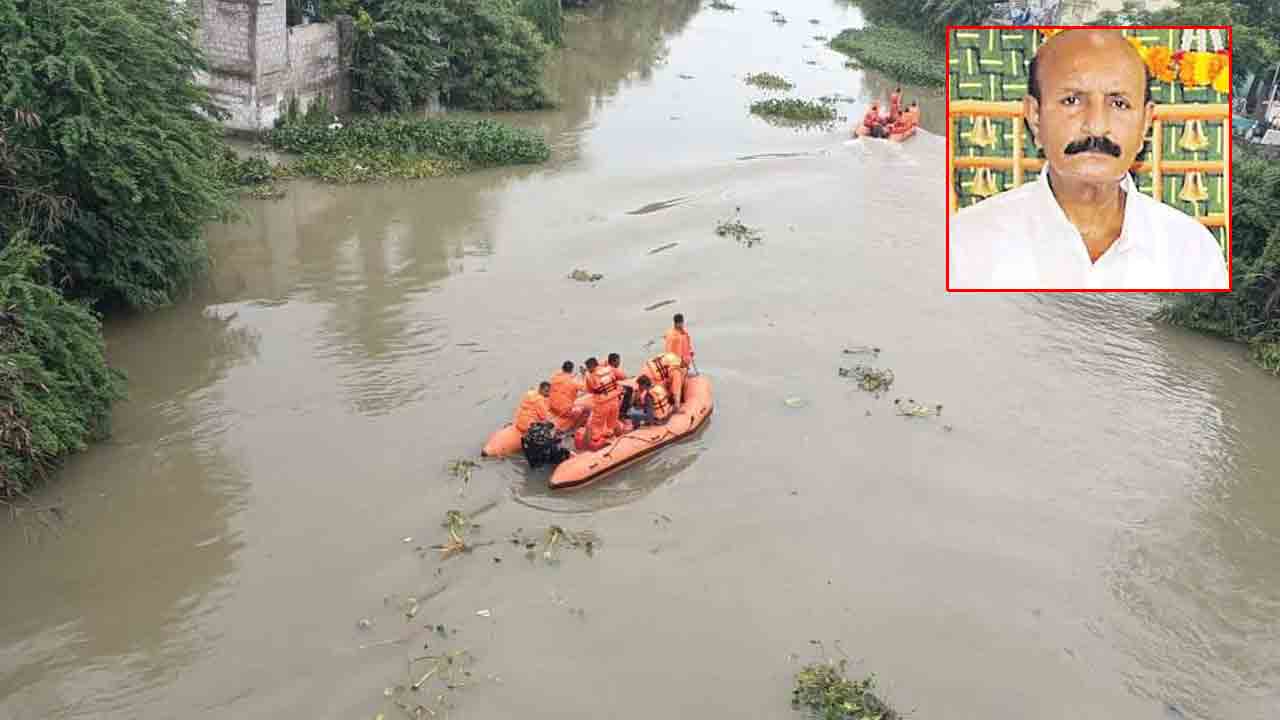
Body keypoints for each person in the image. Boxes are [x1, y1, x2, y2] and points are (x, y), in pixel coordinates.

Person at [948, 29, 1229, 290]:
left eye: (1119, 104)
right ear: (1035, 116)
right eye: (1072, 100)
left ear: (1145, 123)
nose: (1096, 126)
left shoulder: (1192, 252)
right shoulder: (967, 242)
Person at [579, 357, 624, 451]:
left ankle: (596, 444)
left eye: (588, 368)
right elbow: (622, 377)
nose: (588, 370)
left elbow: (589, 390)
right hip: (614, 399)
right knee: (613, 420)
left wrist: (584, 375)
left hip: (602, 403)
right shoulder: (609, 369)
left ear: (591, 366)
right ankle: (616, 437)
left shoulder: (590, 376)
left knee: (597, 425)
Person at [548, 360, 587, 429]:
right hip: (564, 410)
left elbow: (564, 377)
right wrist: (584, 374)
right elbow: (586, 388)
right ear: (571, 370)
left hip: (552, 407)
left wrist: (574, 376)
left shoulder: (555, 377)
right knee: (585, 409)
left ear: (562, 368)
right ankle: (573, 429)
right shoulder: (573, 382)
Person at [606, 352, 634, 418]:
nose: (619, 363)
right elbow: (625, 378)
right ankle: (622, 412)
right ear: (613, 361)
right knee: (629, 389)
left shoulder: (606, 368)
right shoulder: (614, 370)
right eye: (618, 361)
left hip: (607, 389)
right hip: (612, 390)